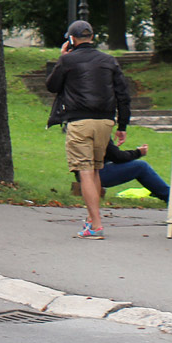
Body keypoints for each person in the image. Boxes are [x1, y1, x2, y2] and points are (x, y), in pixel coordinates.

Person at [45, 20, 131, 239]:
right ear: (92, 37)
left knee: (84, 172)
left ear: (72, 39)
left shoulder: (68, 60)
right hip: (105, 122)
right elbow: (123, 94)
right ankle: (92, 220)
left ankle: (96, 225)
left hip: (79, 121)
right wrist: (122, 126)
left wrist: (61, 58)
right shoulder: (109, 60)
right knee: (95, 169)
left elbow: (52, 86)